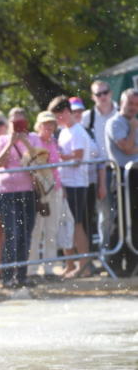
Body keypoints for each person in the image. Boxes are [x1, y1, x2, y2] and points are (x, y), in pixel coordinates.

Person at [49, 95, 93, 277]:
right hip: (65, 183)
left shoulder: (78, 131)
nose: (57, 121)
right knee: (65, 225)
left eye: (58, 116)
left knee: (77, 225)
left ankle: (84, 266)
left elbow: (77, 157)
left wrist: (57, 156)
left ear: (66, 112)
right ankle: (70, 264)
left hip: (76, 184)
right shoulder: (65, 131)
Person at [0, 107, 36, 288]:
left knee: (25, 234)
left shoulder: (32, 138)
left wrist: (25, 141)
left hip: (27, 191)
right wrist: (11, 142)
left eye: (20, 121)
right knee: (11, 234)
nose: (17, 125)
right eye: (14, 122)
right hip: (6, 192)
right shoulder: (1, 139)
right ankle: (8, 276)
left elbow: (39, 160)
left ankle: (22, 275)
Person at [27, 111, 64, 278]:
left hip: (54, 189)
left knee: (51, 230)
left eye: (51, 124)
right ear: (39, 125)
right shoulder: (34, 140)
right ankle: (32, 269)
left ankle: (49, 269)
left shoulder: (54, 142)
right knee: (36, 230)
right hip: (38, 191)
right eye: (45, 124)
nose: (48, 127)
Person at [105, 88, 138, 275]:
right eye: (130, 103)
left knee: (135, 221)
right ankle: (115, 265)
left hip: (135, 175)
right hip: (123, 177)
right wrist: (133, 129)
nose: (133, 107)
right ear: (121, 102)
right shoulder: (115, 122)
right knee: (120, 220)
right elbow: (125, 147)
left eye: (136, 104)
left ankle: (134, 265)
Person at [82, 80, 118, 250]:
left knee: (127, 213)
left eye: (105, 92)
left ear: (110, 93)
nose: (103, 96)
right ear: (93, 97)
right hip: (100, 172)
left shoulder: (121, 112)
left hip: (123, 169)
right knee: (105, 214)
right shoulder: (88, 118)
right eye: (98, 94)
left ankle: (126, 254)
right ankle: (106, 254)